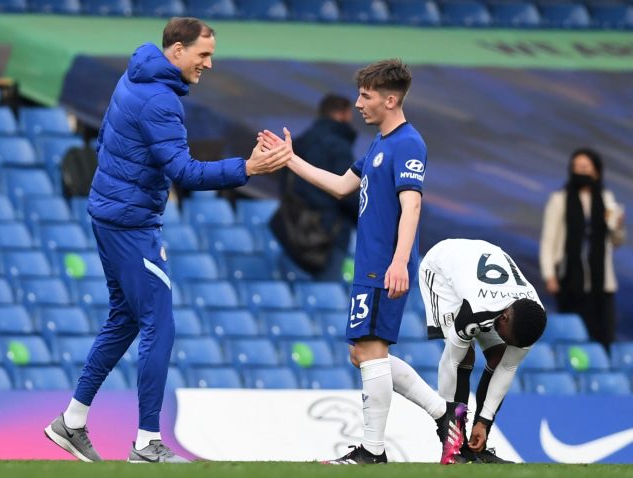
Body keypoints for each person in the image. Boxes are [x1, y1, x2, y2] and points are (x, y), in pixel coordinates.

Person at [44, 17, 292, 463]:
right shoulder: (161, 99)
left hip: (110, 211)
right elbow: (185, 172)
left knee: (125, 319)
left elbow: (103, 139)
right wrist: (248, 169)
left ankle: (72, 421)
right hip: (131, 224)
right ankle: (146, 443)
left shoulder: (135, 73)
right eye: (203, 54)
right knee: (160, 324)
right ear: (176, 51)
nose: (209, 64)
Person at [261, 59, 467, 465]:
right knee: (363, 354)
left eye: (366, 96)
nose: (358, 104)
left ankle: (373, 451)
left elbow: (412, 206)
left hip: (383, 266)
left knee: (370, 351)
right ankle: (446, 415)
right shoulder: (381, 144)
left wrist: (398, 262)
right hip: (369, 264)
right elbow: (341, 186)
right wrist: (290, 160)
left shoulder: (408, 143)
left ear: (390, 100)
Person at [419, 238, 548, 463]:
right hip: (442, 269)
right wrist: (450, 428)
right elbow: (449, 364)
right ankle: (456, 445)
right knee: (464, 355)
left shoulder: (533, 317)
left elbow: (508, 366)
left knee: (499, 357)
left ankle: (476, 447)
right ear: (504, 317)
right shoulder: (476, 313)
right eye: (509, 339)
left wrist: (484, 422)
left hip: (480, 273)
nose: (511, 345)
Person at [540, 148, 626, 351]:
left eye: (585, 167)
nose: (580, 171)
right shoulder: (560, 199)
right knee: (572, 336)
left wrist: (618, 227)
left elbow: (616, 241)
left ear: (595, 171)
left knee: (603, 335)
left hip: (601, 282)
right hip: (570, 279)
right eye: (576, 167)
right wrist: (549, 275)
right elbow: (548, 240)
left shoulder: (606, 199)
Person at [281, 93, 359, 280]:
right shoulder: (338, 146)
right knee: (327, 297)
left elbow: (285, 184)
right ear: (343, 115)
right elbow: (348, 191)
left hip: (294, 229)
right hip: (329, 235)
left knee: (296, 298)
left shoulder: (300, 142)